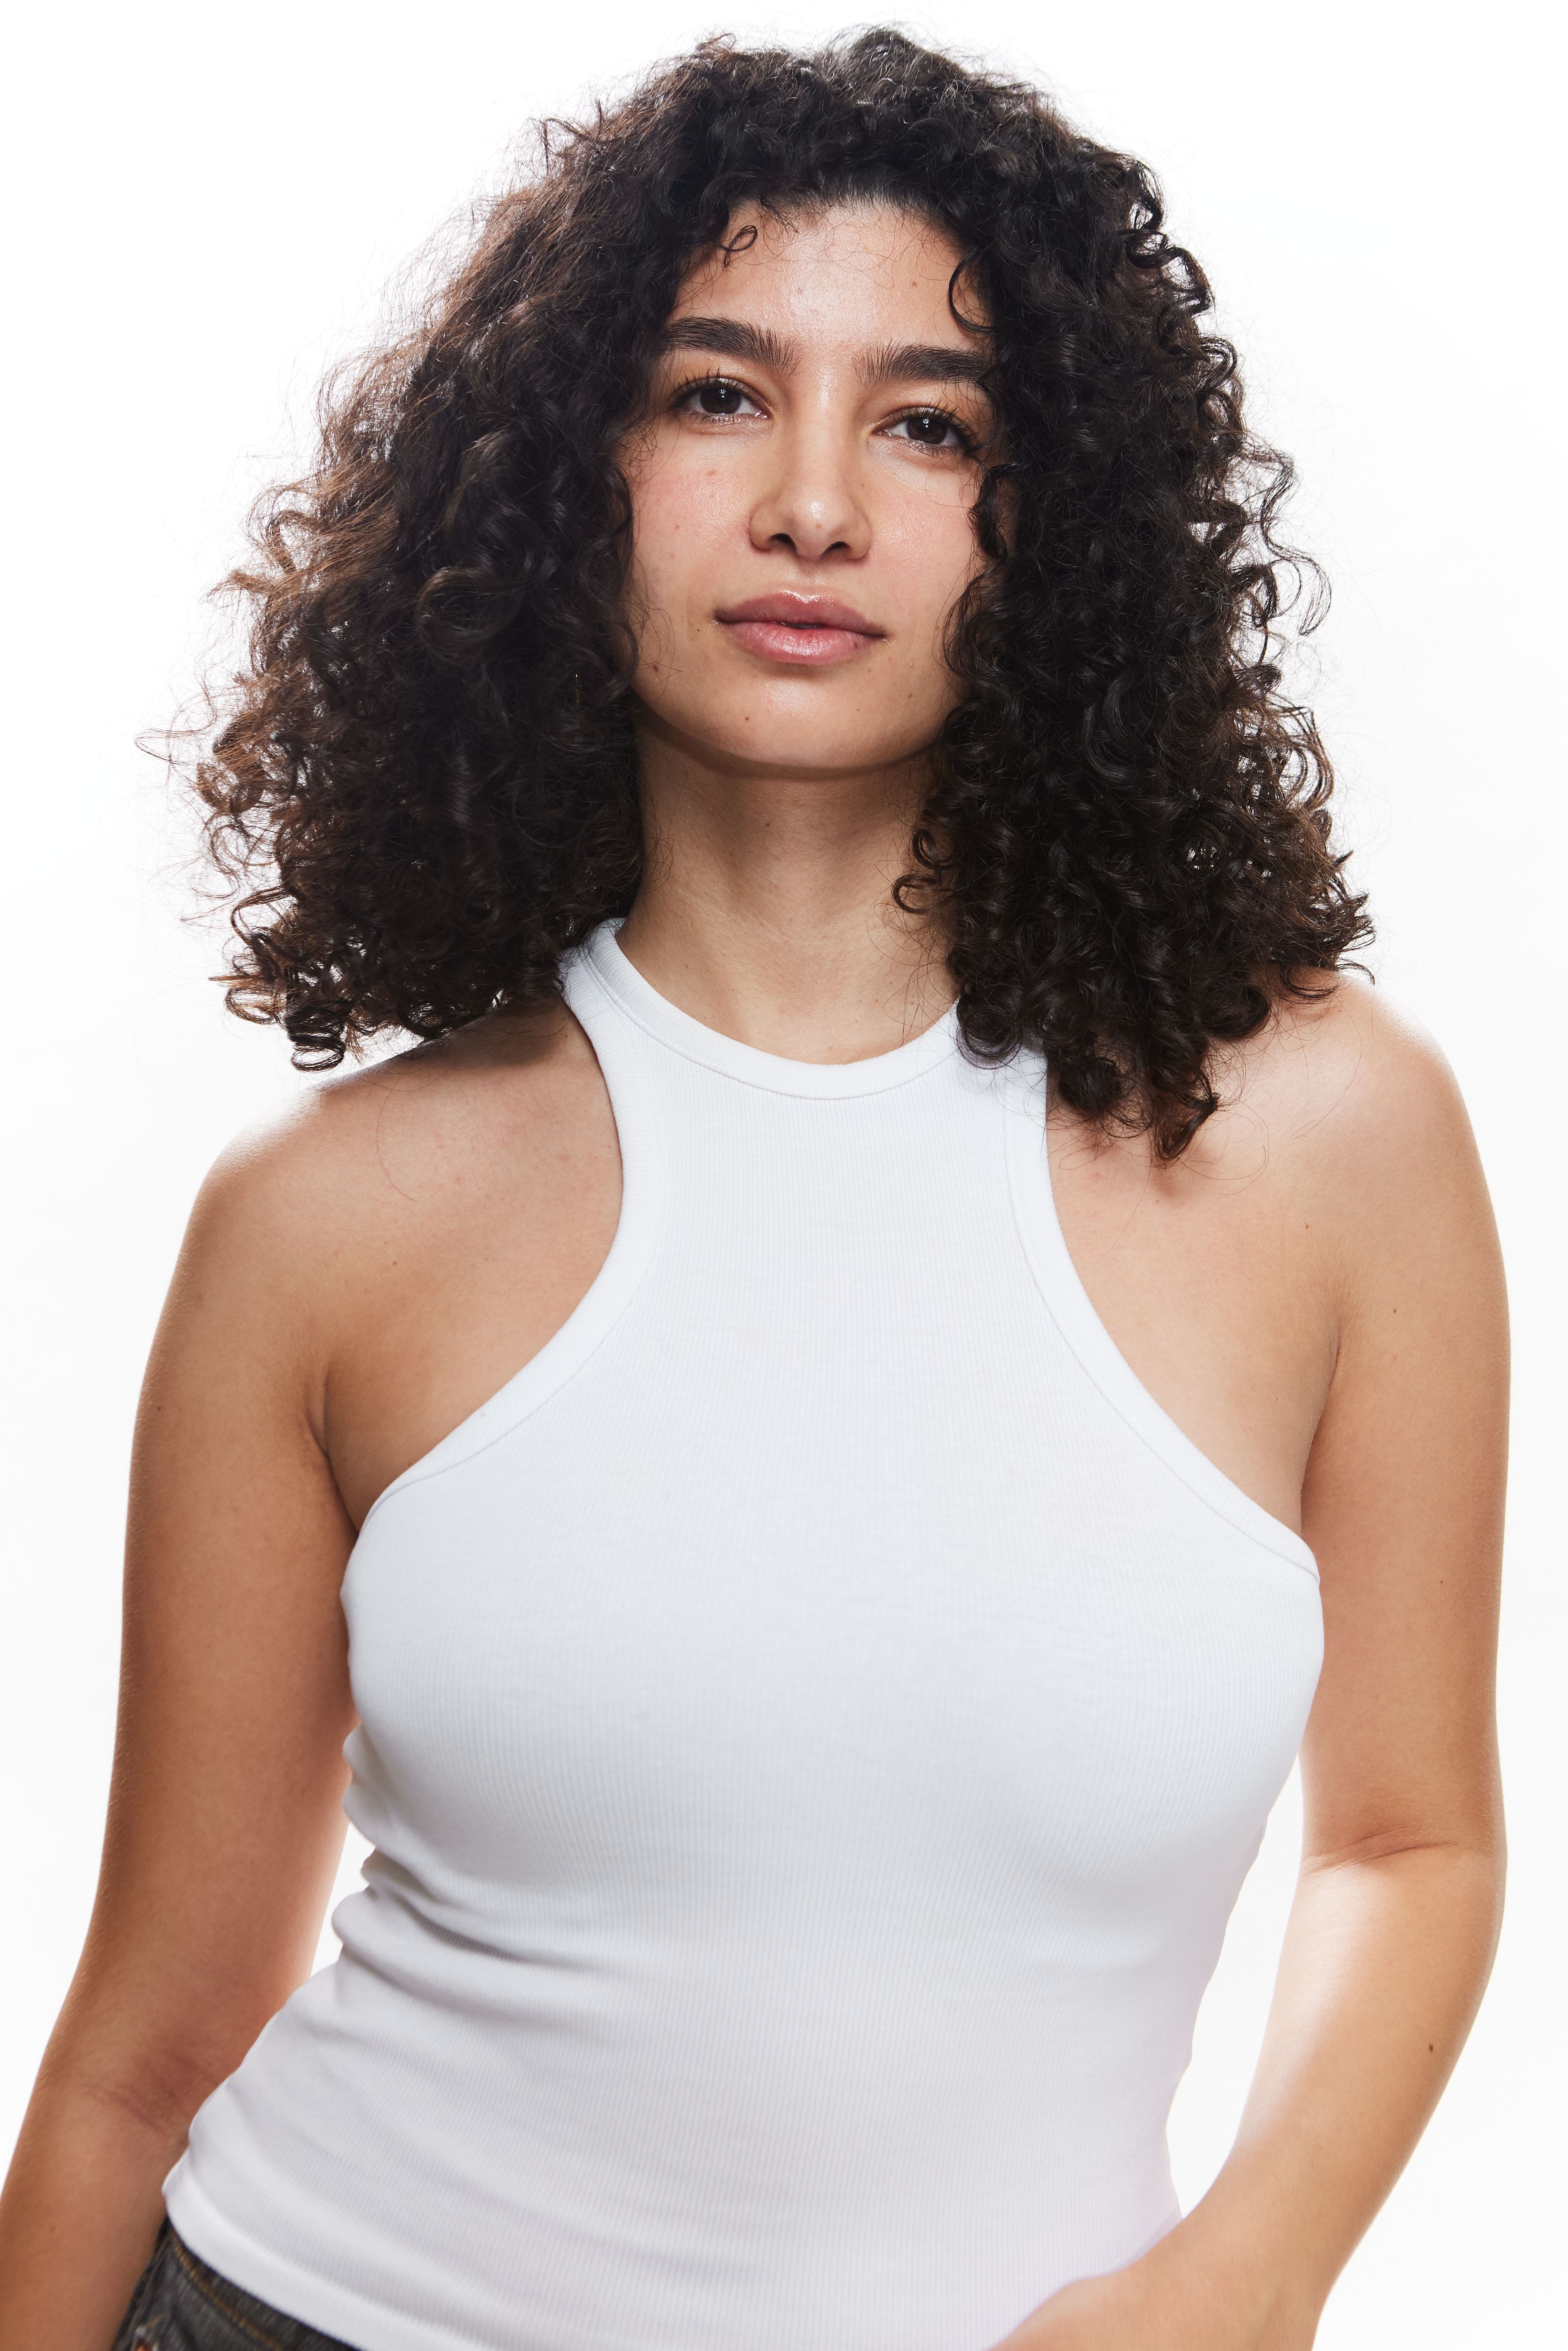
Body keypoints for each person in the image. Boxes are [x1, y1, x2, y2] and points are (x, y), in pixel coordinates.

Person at [0, 27, 1507, 2351]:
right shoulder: (328, 1217)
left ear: (1051, 514)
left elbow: (1413, 1834)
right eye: (717, 394)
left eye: (931, 423)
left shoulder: (1329, 1137)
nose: (814, 505)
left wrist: (1247, 2272)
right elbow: (143, 2047)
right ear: (567, 476)